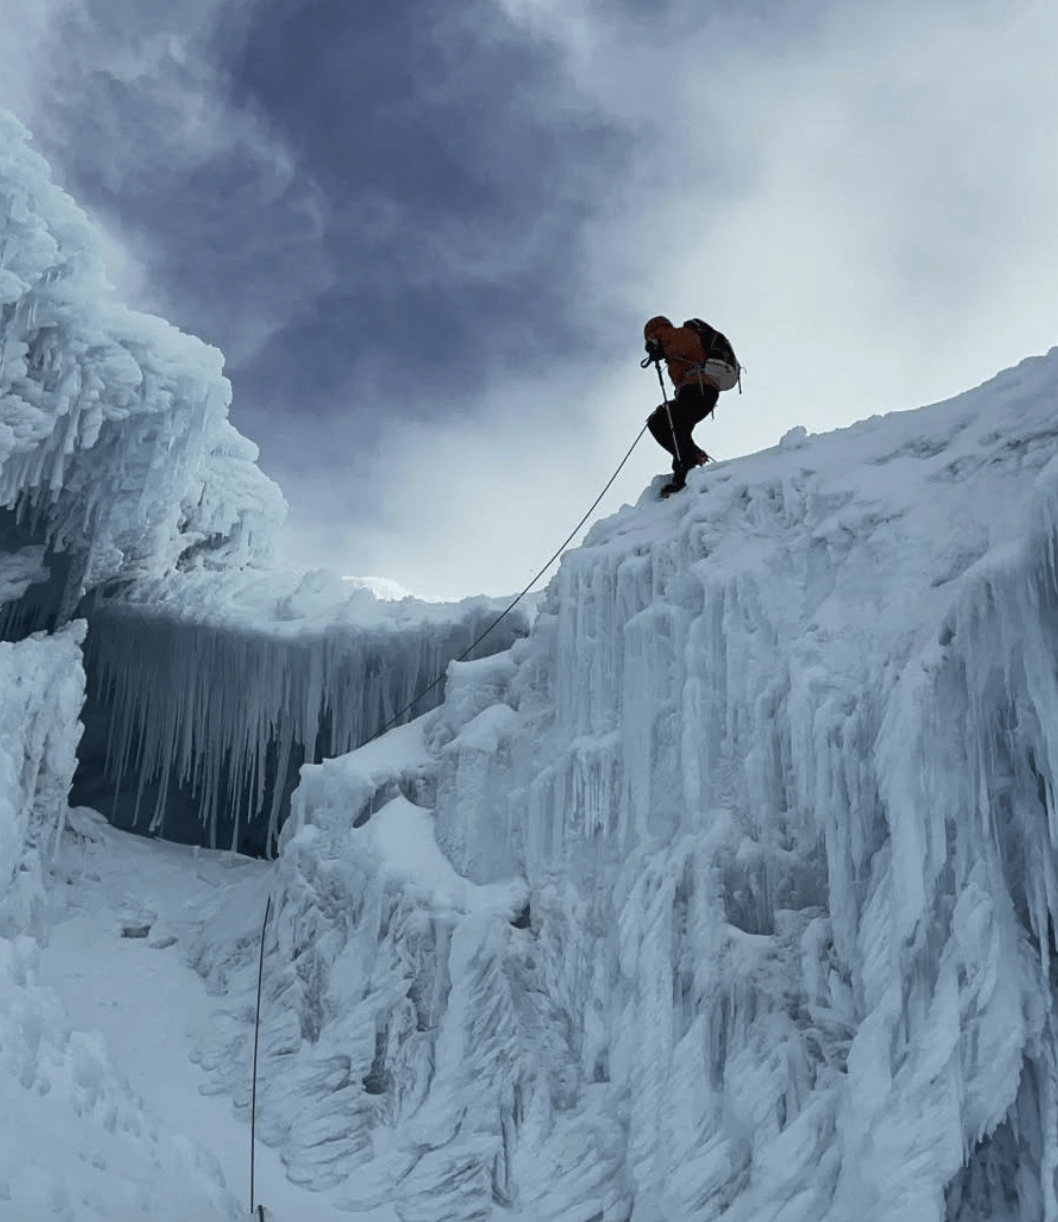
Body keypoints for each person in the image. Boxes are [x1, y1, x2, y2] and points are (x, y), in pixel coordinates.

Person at [643, 315, 720, 497]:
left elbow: (686, 344)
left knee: (660, 420)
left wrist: (661, 346)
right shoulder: (673, 344)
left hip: (699, 389)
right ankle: (690, 459)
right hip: (698, 391)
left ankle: (687, 466)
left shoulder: (678, 334)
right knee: (676, 428)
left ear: (654, 332)